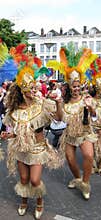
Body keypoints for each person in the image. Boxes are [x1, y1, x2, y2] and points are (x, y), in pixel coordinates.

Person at [1, 70, 63, 219]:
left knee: (35, 180)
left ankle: (39, 202)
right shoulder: (15, 111)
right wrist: (9, 135)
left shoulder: (41, 105)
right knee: (23, 179)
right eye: (32, 88)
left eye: (35, 87)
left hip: (37, 149)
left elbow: (59, 119)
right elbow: (18, 133)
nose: (35, 90)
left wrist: (58, 104)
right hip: (22, 149)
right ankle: (24, 201)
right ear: (23, 91)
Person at [60, 70, 97, 200]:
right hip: (70, 134)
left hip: (84, 133)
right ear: (69, 87)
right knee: (70, 159)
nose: (76, 88)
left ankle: (85, 184)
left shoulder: (87, 99)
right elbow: (60, 119)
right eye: (73, 86)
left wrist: (90, 108)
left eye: (77, 86)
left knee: (88, 155)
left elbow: (94, 116)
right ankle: (77, 179)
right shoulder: (65, 102)